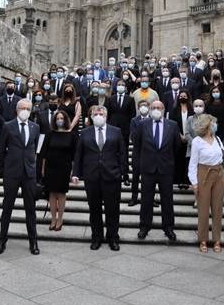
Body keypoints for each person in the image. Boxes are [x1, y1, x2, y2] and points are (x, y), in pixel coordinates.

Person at [72, 105, 126, 251]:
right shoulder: (84, 133)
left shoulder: (116, 131)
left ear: (106, 116)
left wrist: (122, 172)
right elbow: (79, 155)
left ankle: (113, 237)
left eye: (101, 113)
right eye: (95, 113)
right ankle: (96, 237)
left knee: (112, 210)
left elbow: (122, 154)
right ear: (91, 116)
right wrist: (75, 173)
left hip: (112, 176)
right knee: (94, 209)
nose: (98, 115)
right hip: (92, 176)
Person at [0, 99, 40, 255]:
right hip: (12, 173)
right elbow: (2, 150)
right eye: (22, 108)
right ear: (17, 109)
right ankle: (2, 240)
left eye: (28, 108)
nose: (25, 110)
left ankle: (33, 241)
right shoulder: (8, 126)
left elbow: (35, 151)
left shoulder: (35, 127)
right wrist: (2, 170)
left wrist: (36, 172)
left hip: (29, 174)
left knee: (31, 210)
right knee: (7, 208)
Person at [133, 100, 181, 241]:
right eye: (153, 107)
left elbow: (176, 147)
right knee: (146, 200)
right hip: (147, 168)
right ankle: (144, 227)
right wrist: (138, 165)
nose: (155, 109)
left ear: (163, 109)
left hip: (166, 169)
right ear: (149, 109)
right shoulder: (142, 125)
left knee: (167, 200)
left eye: (158, 107)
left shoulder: (172, 125)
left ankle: (168, 228)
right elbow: (137, 147)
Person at [188, 114, 224, 253]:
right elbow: (193, 163)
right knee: (203, 209)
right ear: (207, 125)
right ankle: (203, 239)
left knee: (218, 209)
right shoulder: (197, 141)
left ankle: (217, 239)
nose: (215, 125)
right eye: (213, 123)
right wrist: (194, 183)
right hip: (204, 174)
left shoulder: (218, 139)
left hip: (218, 173)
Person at [42, 110, 78, 231]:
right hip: (50, 167)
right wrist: (42, 169)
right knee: (52, 193)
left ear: (66, 120)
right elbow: (44, 153)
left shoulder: (71, 135)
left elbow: (75, 155)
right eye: (57, 118)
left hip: (64, 167)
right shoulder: (50, 134)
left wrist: (74, 171)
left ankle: (60, 218)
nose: (59, 121)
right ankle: (53, 218)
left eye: (62, 118)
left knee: (61, 194)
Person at [107, 79, 135, 186]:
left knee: (124, 153)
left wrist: (131, 130)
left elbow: (132, 116)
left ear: (126, 87)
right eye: (119, 84)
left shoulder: (130, 99)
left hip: (125, 130)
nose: (121, 86)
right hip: (112, 129)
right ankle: (113, 174)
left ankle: (125, 175)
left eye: (123, 85)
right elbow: (108, 115)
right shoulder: (111, 99)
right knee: (112, 152)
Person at [128, 99, 151, 206]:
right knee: (135, 177)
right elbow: (133, 136)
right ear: (138, 107)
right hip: (138, 152)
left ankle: (149, 198)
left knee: (149, 179)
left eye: (145, 105)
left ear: (149, 107)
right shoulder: (134, 120)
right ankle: (134, 198)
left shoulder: (152, 119)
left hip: (150, 153)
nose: (143, 107)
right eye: (141, 105)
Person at [185, 98, 207, 207]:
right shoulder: (189, 119)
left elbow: (211, 133)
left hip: (205, 151)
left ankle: (205, 199)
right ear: (193, 107)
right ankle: (197, 199)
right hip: (193, 149)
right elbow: (187, 133)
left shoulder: (209, 119)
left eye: (200, 105)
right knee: (195, 177)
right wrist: (194, 142)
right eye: (196, 105)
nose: (198, 107)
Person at [169, 89, 192, 189]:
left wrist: (187, 136)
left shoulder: (191, 109)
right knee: (179, 160)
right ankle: (179, 181)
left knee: (188, 160)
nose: (183, 98)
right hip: (178, 138)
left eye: (185, 96)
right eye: (181, 96)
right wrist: (180, 135)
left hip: (190, 139)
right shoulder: (174, 109)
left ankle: (186, 181)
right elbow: (172, 124)